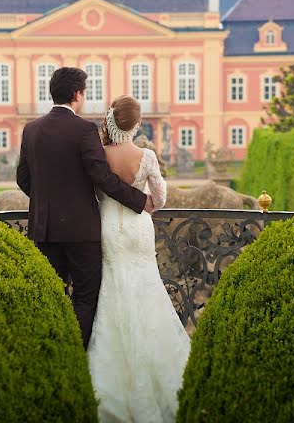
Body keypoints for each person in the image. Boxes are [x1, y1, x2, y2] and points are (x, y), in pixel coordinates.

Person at [16, 67, 153, 348]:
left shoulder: (31, 129)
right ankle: (76, 355)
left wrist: (45, 201)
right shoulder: (83, 130)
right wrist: (141, 201)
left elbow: (24, 178)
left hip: (44, 228)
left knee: (52, 295)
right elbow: (101, 177)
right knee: (86, 297)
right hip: (82, 231)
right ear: (78, 95)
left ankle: (53, 353)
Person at [88, 94, 191, 423]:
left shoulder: (100, 154)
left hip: (108, 227)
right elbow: (159, 198)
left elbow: (95, 193)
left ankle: (110, 384)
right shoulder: (145, 155)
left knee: (113, 289)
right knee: (146, 288)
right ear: (135, 124)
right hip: (138, 227)